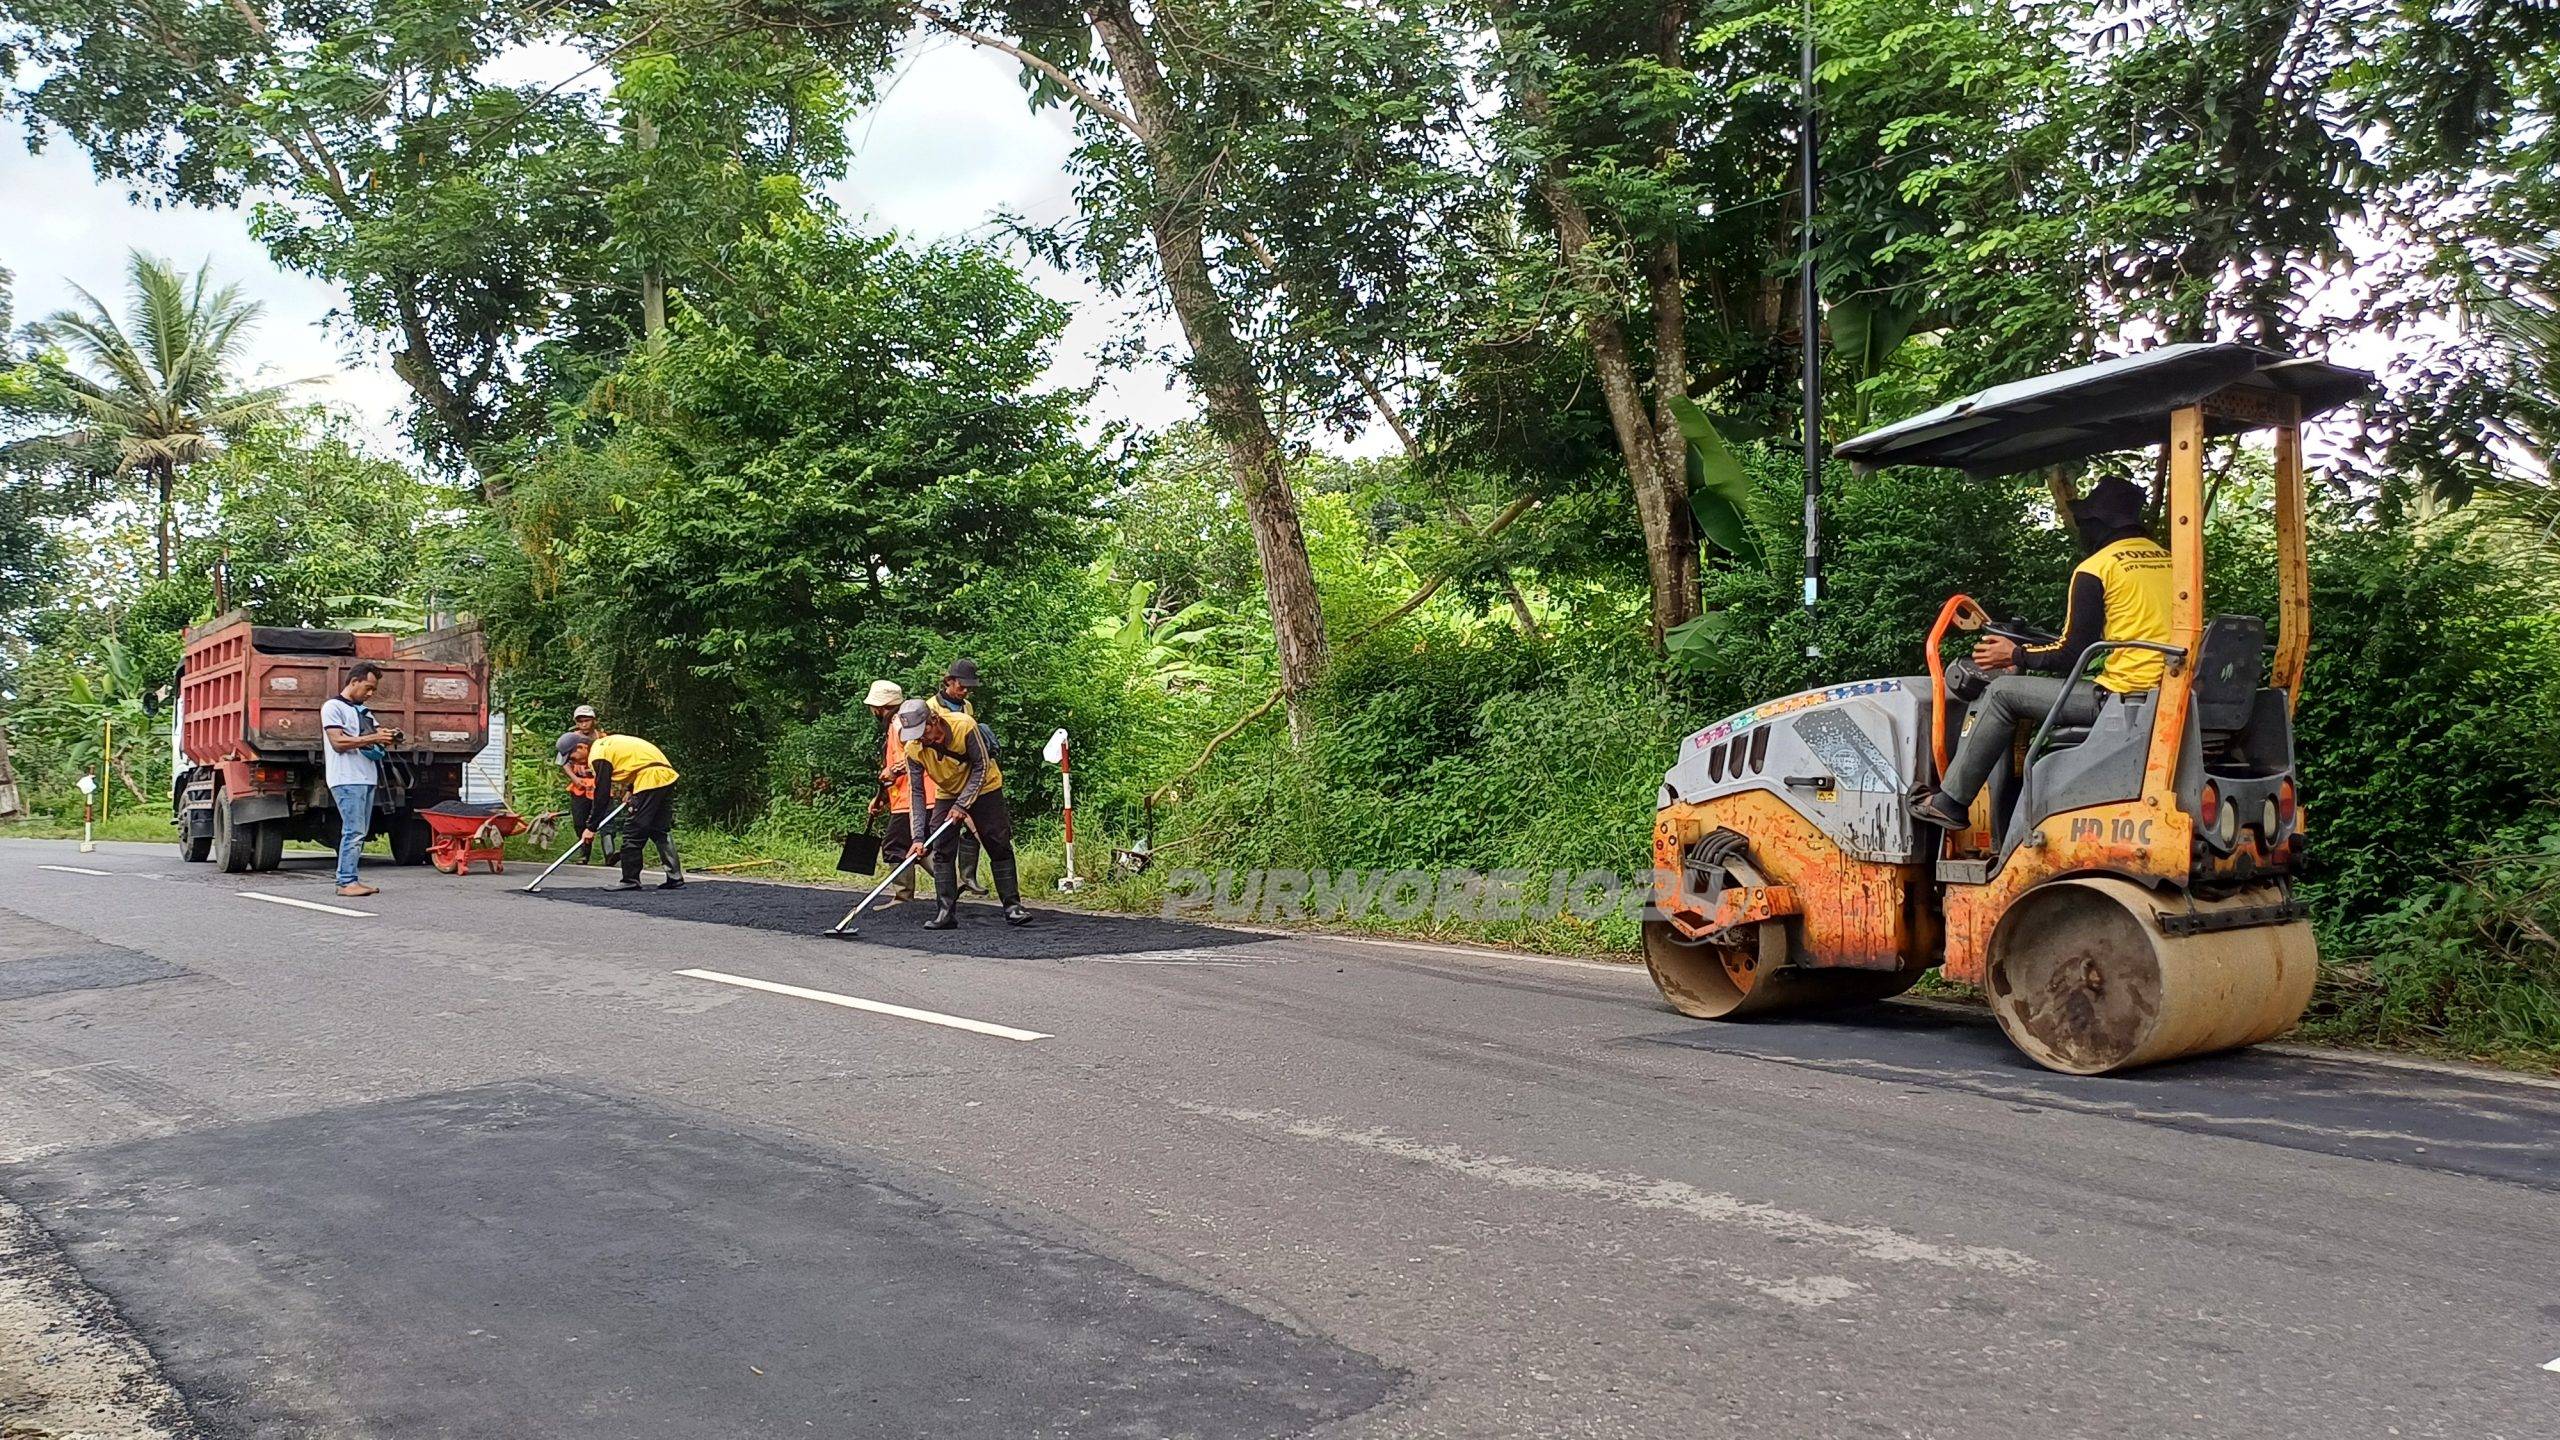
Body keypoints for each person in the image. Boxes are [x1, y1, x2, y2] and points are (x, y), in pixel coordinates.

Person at [1913, 477, 2174, 829]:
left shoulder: (2097, 569)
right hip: (2170, 695)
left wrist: (2015, 655)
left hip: (2123, 699)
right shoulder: (2172, 563)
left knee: (2002, 693)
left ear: (2099, 524)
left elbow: (2070, 654)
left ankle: (1950, 802)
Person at [898, 697, 1028, 928]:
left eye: (923, 732)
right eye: (915, 734)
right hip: (948, 791)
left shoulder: (964, 726)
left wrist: (962, 805)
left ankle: (1013, 907)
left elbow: (982, 765)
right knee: (941, 846)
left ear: (934, 720)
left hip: (985, 787)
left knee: (997, 842)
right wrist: (917, 838)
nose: (921, 739)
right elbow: (916, 793)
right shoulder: (913, 749)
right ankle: (945, 913)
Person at [320, 661, 400, 898]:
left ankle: (351, 879)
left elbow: (374, 738)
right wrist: (374, 737)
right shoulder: (332, 707)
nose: (370, 693)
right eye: (368, 687)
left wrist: (388, 737)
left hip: (367, 777)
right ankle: (345, 882)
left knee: (359, 832)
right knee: (353, 831)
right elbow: (338, 742)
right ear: (354, 682)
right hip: (346, 778)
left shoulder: (364, 712)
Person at [580, 731, 684, 891]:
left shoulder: (598, 753)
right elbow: (638, 762)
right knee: (659, 829)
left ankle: (630, 879)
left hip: (650, 778)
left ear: (581, 747)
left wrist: (591, 827)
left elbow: (602, 793)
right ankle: (675, 877)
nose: (574, 762)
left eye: (572, 756)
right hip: (665, 775)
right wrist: (631, 789)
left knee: (633, 830)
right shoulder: (608, 744)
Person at [864, 680, 934, 904]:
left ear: (880, 707)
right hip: (909, 796)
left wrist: (893, 770)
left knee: (895, 846)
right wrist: (881, 798)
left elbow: (917, 753)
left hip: (913, 797)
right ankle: (950, 880)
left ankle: (903, 898)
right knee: (921, 844)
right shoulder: (897, 724)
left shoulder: (899, 724)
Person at [927, 659, 989, 895]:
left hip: (970, 777)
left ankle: (968, 875)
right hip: (945, 781)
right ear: (948, 682)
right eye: (961, 686)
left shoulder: (967, 707)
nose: (965, 692)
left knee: (976, 827)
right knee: (944, 835)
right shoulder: (931, 708)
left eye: (969, 688)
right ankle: (948, 890)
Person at [556, 705, 609, 864]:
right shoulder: (570, 739)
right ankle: (584, 853)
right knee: (580, 821)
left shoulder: (602, 738)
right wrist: (574, 778)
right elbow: (563, 761)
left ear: (594, 721)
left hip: (600, 783)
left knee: (606, 819)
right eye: (580, 721)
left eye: (587, 720)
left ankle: (609, 854)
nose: (584, 724)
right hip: (579, 784)